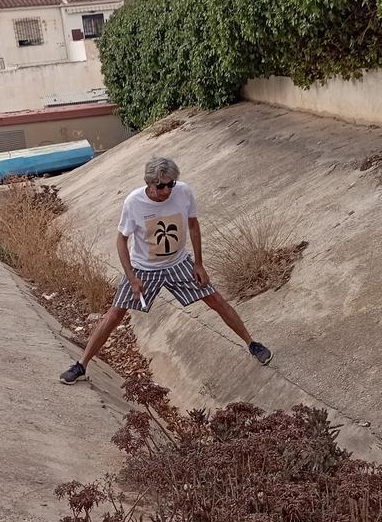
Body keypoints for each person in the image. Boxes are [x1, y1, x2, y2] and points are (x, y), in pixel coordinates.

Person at [60, 157, 273, 384]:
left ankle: (252, 344)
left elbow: (193, 225)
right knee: (115, 314)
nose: (166, 190)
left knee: (215, 299)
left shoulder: (183, 192)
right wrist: (132, 278)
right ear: (149, 183)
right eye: (160, 185)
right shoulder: (133, 202)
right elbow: (121, 241)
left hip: (178, 263)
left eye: (170, 184)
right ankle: (81, 365)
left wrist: (199, 264)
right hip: (144, 268)